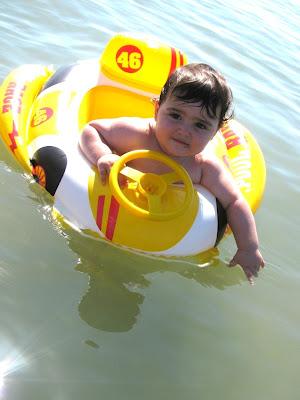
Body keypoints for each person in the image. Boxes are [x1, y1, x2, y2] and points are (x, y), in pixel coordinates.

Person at [79, 63, 265, 284]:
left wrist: (248, 247)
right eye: (175, 115)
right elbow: (92, 130)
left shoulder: (203, 166)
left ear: (215, 132)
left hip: (162, 237)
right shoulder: (138, 135)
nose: (184, 130)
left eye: (201, 125)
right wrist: (103, 155)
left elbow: (235, 202)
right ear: (157, 110)